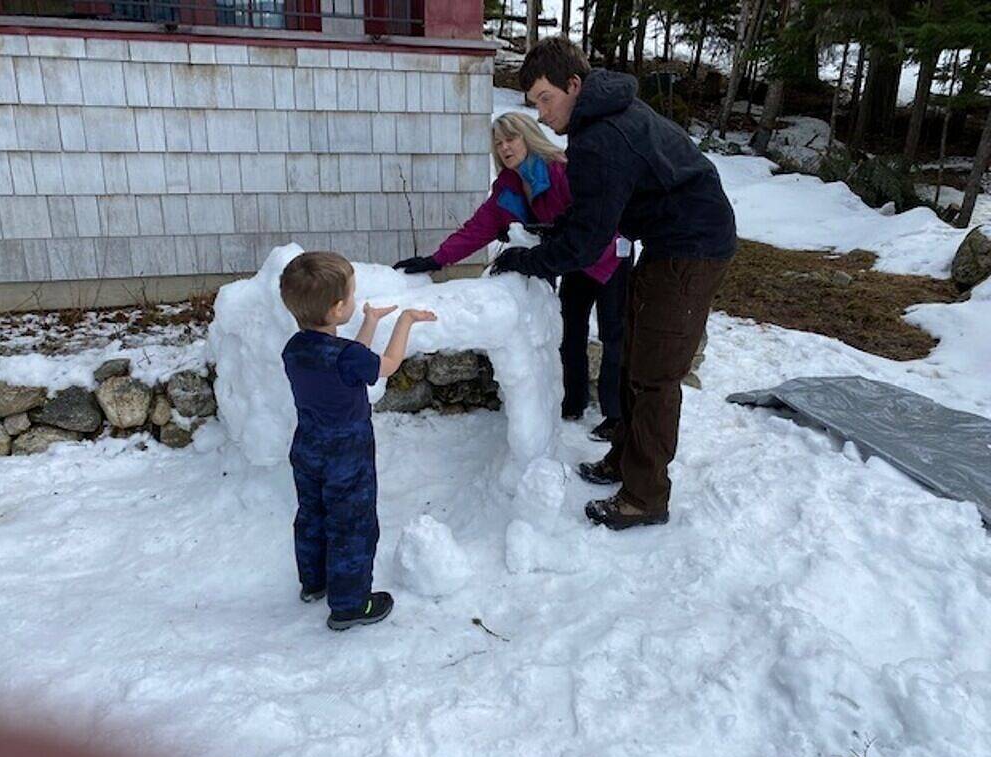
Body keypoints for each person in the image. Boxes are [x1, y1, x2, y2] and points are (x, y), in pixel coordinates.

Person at [491, 37, 737, 531]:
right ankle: (623, 460)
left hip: (693, 247)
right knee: (632, 360)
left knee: (655, 376)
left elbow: (586, 244)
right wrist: (552, 235)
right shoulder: (601, 120)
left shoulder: (600, 136)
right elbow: (594, 213)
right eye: (533, 102)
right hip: (667, 242)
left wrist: (531, 260)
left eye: (546, 98)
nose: (540, 114)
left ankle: (645, 496)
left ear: (574, 85)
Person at [392, 111, 628, 441]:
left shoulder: (561, 170)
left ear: (528, 135)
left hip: (608, 257)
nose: (505, 147)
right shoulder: (509, 187)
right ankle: (574, 401)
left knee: (614, 335)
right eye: (499, 143)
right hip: (571, 262)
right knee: (570, 333)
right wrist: (435, 260)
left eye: (511, 138)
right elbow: (477, 230)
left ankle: (615, 415)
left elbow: (601, 216)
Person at [279, 251, 436, 630]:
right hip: (346, 454)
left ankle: (314, 581)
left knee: (313, 514)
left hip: (307, 447)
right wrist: (404, 321)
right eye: (350, 296)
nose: (354, 299)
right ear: (335, 310)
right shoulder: (347, 356)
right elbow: (384, 365)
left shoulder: (295, 348)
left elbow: (349, 361)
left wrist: (368, 321)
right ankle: (350, 605)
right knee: (352, 524)